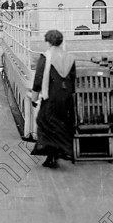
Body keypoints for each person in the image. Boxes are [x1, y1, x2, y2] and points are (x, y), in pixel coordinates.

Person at [30, 30, 76, 168]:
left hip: (51, 95)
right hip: (66, 95)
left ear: (49, 41)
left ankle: (51, 155)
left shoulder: (46, 57)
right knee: (61, 122)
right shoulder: (69, 57)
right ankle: (60, 151)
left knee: (45, 122)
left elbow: (38, 79)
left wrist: (34, 97)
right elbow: (73, 78)